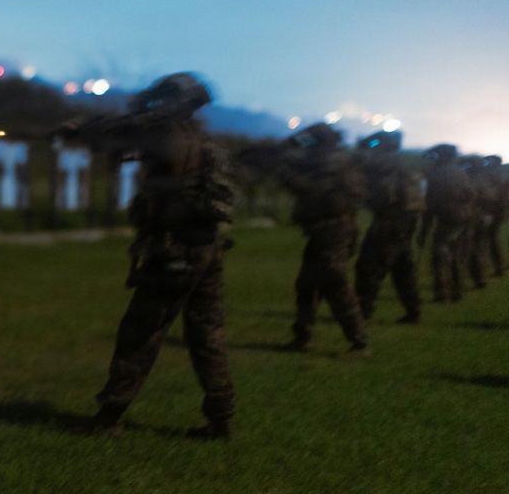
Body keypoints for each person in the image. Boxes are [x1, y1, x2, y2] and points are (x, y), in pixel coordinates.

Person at [63, 73, 236, 440]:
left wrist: (77, 129)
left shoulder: (161, 132)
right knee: (208, 335)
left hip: (173, 250)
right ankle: (222, 417)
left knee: (140, 335)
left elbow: (107, 136)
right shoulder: (200, 137)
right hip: (208, 248)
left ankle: (109, 417)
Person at [274, 123, 369, 354]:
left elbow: (312, 188)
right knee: (307, 285)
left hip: (332, 231)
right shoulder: (324, 157)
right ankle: (303, 336)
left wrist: (282, 169)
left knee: (335, 285)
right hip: (322, 231)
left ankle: (359, 341)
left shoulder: (331, 161)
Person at [353, 130, 424, 324]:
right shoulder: (401, 163)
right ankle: (413, 310)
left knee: (370, 266)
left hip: (389, 220)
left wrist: (365, 144)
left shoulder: (383, 162)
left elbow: (364, 175)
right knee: (402, 267)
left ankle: (363, 311)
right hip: (407, 220)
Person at [418, 144, 475, 303]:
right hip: (463, 216)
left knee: (440, 253)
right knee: (455, 252)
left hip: (447, 216)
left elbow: (430, 204)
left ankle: (442, 292)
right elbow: (471, 194)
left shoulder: (438, 174)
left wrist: (423, 232)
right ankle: (457, 290)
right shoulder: (460, 172)